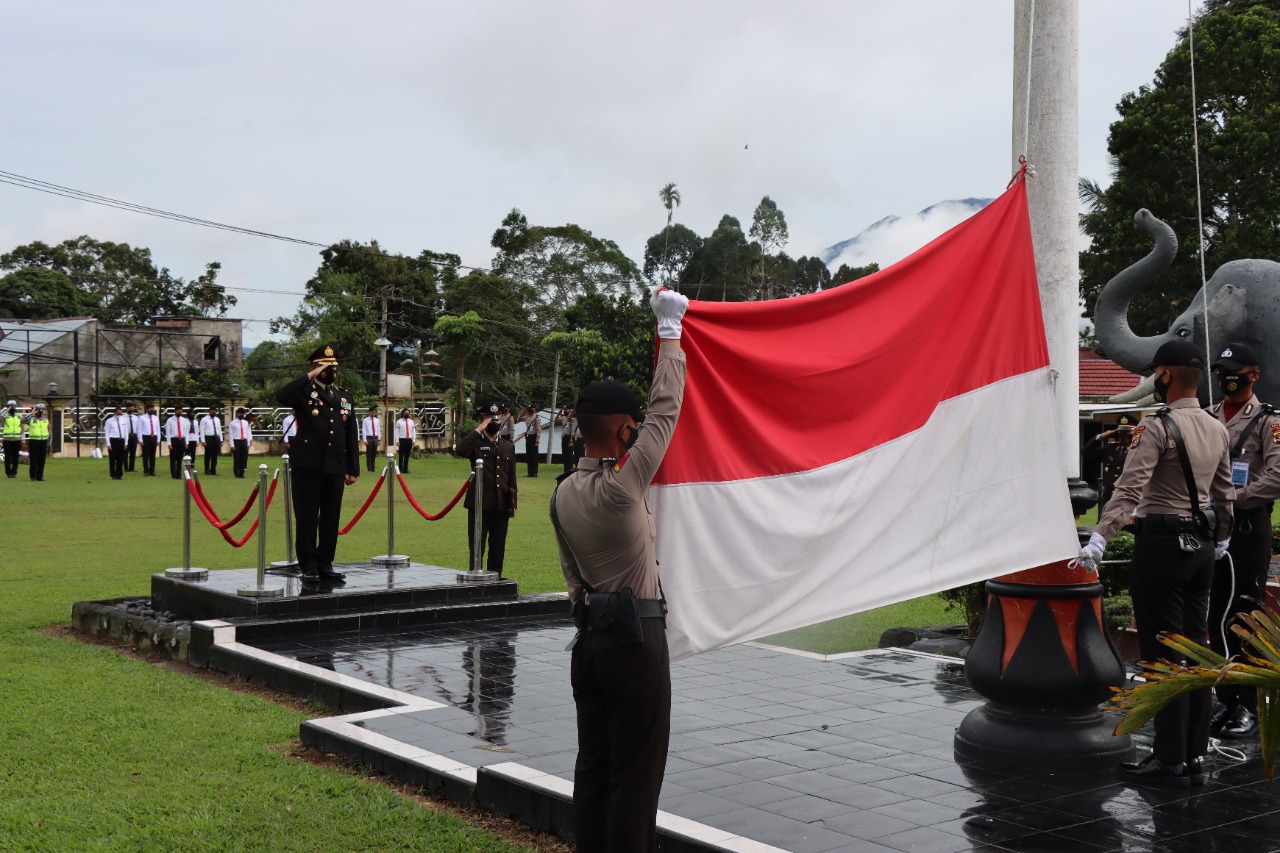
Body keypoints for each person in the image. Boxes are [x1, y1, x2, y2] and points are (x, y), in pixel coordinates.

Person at [550, 286, 688, 851]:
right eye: (633, 426)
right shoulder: (622, 487)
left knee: (595, 771)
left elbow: (573, 580)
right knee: (636, 781)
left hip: (590, 645)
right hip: (637, 643)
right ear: (622, 429)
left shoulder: (561, 495)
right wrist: (669, 332)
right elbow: (666, 410)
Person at [1082, 339, 1234, 787]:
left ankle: (1168, 759)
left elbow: (1129, 488)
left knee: (1165, 653)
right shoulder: (1216, 426)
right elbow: (1225, 493)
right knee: (1196, 647)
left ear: (1164, 376)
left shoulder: (1158, 427)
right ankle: (1193, 752)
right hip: (1203, 549)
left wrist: (1099, 538)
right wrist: (1222, 537)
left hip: (1163, 547)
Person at [1207, 343, 1280, 740]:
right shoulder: (1207, 416)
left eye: (1233, 371)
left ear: (1254, 373)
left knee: (1245, 615)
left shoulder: (1269, 421)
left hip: (1247, 528)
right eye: (1220, 371)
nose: (1225, 378)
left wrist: (1232, 497)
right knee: (1215, 613)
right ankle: (1226, 696)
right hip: (1211, 527)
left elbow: (1278, 475)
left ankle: (1247, 705)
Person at [274, 343, 359, 584]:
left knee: (331, 517)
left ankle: (325, 563)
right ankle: (308, 565)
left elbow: (350, 434)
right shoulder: (303, 392)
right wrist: (309, 375)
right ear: (315, 367)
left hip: (335, 465)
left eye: (333, 366)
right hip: (307, 465)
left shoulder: (344, 397)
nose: (329, 370)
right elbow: (281, 396)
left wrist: (352, 468)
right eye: (324, 366)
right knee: (307, 517)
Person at [456, 402, 518, 577]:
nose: (494, 423)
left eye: (496, 419)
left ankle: (495, 578)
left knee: (498, 545)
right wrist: (478, 430)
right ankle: (475, 576)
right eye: (489, 420)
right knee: (477, 545)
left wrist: (512, 503)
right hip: (479, 503)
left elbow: (511, 477)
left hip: (501, 503)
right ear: (483, 421)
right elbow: (461, 450)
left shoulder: (508, 446)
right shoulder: (476, 443)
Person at [164, 405, 192, 479]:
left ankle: (179, 474)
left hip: (182, 440)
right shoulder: (170, 420)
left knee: (180, 458)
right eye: (178, 410)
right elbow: (168, 432)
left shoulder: (184, 420)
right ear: (175, 411)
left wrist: (187, 442)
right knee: (173, 458)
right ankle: (173, 474)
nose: (179, 412)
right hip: (174, 440)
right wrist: (169, 443)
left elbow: (186, 432)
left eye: (181, 410)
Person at [105, 405, 131, 480]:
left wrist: (125, 442)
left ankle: (119, 474)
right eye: (118, 413)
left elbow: (126, 432)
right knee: (112, 458)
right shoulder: (109, 421)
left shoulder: (124, 420)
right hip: (113, 440)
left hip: (121, 440)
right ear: (115, 412)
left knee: (121, 458)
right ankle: (113, 474)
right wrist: (108, 444)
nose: (119, 414)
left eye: (120, 413)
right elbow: (107, 432)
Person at [26, 404, 50, 481]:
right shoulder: (31, 418)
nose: (40, 412)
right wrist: (31, 414)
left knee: (42, 460)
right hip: (34, 441)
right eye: (39, 410)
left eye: (42, 410)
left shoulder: (45, 419)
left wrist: (49, 441)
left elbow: (49, 429)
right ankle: (33, 476)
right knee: (33, 459)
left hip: (43, 441)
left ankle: (40, 476)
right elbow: (22, 420)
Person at [138, 403, 162, 476]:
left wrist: (158, 440)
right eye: (150, 408)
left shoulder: (155, 418)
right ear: (147, 409)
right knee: (145, 455)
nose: (151, 410)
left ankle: (152, 471)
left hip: (153, 437)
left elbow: (158, 429)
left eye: (152, 408)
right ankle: (146, 471)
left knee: (152, 455)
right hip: (146, 437)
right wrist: (140, 440)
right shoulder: (142, 418)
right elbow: (139, 429)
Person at [198, 406, 223, 475]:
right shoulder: (204, 419)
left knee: (215, 455)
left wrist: (221, 440)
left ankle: (213, 470)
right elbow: (202, 430)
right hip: (208, 438)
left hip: (216, 437)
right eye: (212, 410)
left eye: (215, 410)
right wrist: (203, 440)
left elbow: (219, 430)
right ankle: (207, 470)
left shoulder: (217, 419)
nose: (213, 412)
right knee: (208, 455)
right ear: (209, 411)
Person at [229, 407, 252, 479]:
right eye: (241, 413)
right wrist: (232, 444)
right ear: (237, 414)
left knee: (244, 458)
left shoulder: (245, 423)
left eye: (243, 414)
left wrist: (248, 443)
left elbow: (248, 433)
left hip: (244, 441)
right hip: (236, 441)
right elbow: (231, 434)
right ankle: (237, 472)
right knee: (237, 458)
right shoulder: (232, 423)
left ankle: (242, 472)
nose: (242, 415)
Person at [520, 405, 541, 477]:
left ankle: (534, 473)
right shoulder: (527, 417)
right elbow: (519, 419)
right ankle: (529, 473)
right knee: (528, 455)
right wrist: (523, 412)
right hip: (528, 437)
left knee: (534, 456)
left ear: (534, 409)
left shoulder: (537, 418)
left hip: (534, 437)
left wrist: (537, 441)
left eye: (531, 409)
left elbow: (538, 430)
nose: (530, 411)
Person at [2, 400, 21, 478]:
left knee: (16, 457)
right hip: (7, 439)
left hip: (17, 439)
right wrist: (6, 410)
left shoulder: (18, 415)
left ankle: (14, 472)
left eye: (14, 406)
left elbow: (22, 427)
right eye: (11, 406)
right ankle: (8, 472)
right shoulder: (5, 416)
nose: (13, 408)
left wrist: (22, 438)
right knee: (8, 457)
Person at [557, 406, 578, 474]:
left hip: (569, 437)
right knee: (565, 454)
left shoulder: (573, 419)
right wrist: (558, 414)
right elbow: (556, 420)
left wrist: (571, 440)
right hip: (564, 437)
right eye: (564, 410)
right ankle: (565, 470)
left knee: (569, 454)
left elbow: (573, 430)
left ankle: (570, 469)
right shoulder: (563, 418)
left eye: (566, 410)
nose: (565, 411)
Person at [361, 406, 382, 472]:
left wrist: (379, 439)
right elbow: (364, 430)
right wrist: (365, 440)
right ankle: (369, 467)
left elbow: (378, 429)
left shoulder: (377, 420)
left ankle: (373, 467)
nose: (373, 414)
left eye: (374, 412)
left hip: (375, 437)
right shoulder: (365, 420)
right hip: (369, 437)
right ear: (369, 412)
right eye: (372, 412)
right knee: (369, 453)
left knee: (374, 453)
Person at [395, 408, 416, 473]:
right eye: (405, 413)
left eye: (408, 413)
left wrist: (413, 439)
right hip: (402, 439)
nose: (407, 414)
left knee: (407, 455)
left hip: (409, 439)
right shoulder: (399, 422)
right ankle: (400, 469)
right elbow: (397, 432)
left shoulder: (411, 422)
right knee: (401, 455)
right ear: (403, 413)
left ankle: (406, 468)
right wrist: (397, 441)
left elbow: (413, 431)